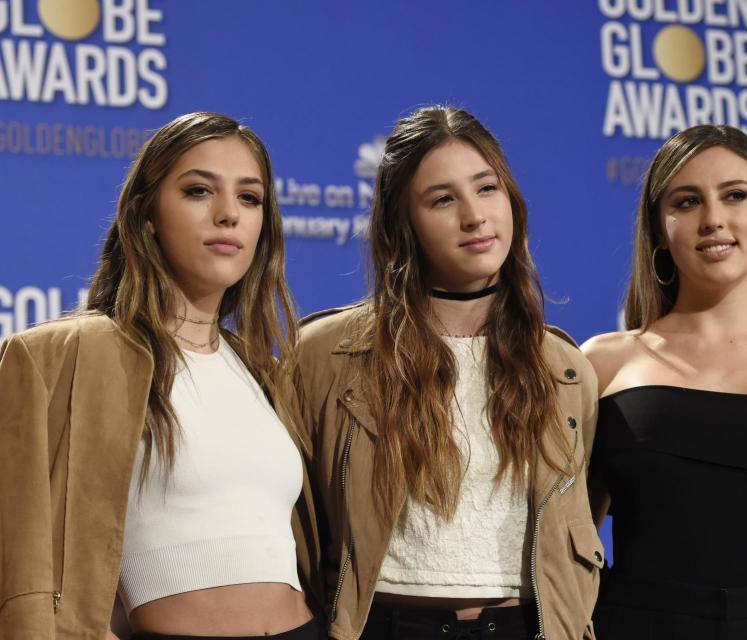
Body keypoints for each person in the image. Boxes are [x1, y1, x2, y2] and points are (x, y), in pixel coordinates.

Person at [0, 112, 323, 640]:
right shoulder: (60, 357)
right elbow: (20, 559)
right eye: (199, 191)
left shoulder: (263, 372)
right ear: (145, 214)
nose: (228, 215)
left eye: (249, 197)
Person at [295, 105, 603, 640]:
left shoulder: (565, 369)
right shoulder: (325, 355)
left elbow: (578, 528)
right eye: (443, 199)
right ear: (402, 222)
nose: (475, 215)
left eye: (487, 189)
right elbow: (295, 531)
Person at [583, 124, 747, 639]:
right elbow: (566, 546)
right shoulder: (601, 365)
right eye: (687, 202)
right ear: (660, 228)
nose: (713, 219)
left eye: (734, 195)